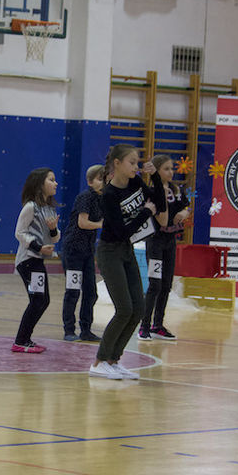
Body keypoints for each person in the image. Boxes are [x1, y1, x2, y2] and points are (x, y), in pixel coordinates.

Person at [90, 144, 164, 380]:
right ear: (117, 164)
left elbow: (159, 204)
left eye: (137, 162)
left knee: (138, 309)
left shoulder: (135, 183)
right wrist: (145, 213)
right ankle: (99, 362)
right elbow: (122, 232)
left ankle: (113, 360)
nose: (136, 167)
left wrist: (156, 178)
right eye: (132, 162)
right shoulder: (109, 195)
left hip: (126, 251)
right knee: (124, 309)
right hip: (110, 252)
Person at [138, 154, 190, 342]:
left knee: (167, 284)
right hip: (155, 241)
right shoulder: (152, 191)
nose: (171, 172)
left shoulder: (176, 190)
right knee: (155, 284)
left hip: (170, 241)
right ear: (157, 171)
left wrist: (183, 213)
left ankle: (157, 325)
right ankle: (144, 326)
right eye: (166, 168)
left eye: (172, 168)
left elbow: (186, 207)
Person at [11, 168, 60, 354]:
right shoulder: (30, 207)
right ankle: (20, 341)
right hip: (28, 261)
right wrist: (38, 247)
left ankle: (25, 339)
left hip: (38, 261)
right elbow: (19, 233)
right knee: (38, 300)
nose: (55, 183)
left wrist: (53, 230)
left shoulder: (49, 208)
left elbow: (55, 238)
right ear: (40, 184)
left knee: (42, 300)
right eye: (51, 180)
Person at [60, 164, 105, 342]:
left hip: (87, 250)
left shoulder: (103, 199)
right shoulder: (85, 197)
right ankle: (69, 330)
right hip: (73, 249)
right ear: (90, 181)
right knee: (73, 291)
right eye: (100, 179)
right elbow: (83, 223)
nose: (104, 182)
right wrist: (101, 224)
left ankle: (86, 330)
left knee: (91, 292)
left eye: (105, 179)